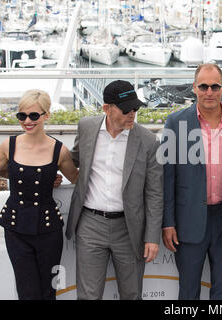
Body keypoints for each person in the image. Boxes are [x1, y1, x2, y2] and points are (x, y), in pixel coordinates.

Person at [161, 63, 222, 300]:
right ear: (194, 88)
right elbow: (167, 177)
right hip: (188, 219)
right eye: (203, 86)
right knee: (188, 291)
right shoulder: (175, 123)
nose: (209, 92)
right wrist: (168, 222)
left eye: (215, 86)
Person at [65, 80, 163, 300]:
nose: (132, 115)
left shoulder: (148, 141)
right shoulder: (87, 127)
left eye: (135, 109)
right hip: (90, 224)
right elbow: (73, 159)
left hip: (129, 229)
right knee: (88, 296)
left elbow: (155, 193)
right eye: (126, 109)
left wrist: (152, 237)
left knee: (132, 294)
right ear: (106, 109)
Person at [0, 89, 79, 300]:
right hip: (15, 228)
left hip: (48, 230)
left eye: (34, 116)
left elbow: (77, 180)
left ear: (46, 116)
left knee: (48, 291)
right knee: (26, 291)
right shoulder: (8, 146)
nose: (27, 121)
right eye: (22, 116)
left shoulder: (59, 150)